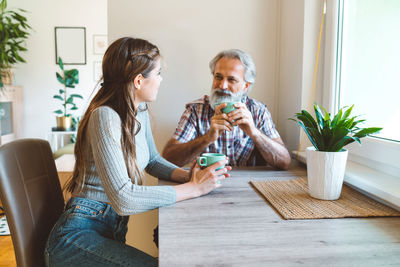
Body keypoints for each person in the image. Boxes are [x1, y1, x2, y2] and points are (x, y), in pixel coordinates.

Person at [44, 37, 231, 267]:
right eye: (158, 73)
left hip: (105, 230)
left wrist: (190, 176)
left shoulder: (138, 110)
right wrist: (193, 189)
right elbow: (123, 198)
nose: (161, 80)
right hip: (76, 238)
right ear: (139, 81)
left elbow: (152, 160)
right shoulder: (105, 116)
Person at [162, 49, 291, 169]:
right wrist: (208, 138)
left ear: (245, 86)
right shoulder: (196, 110)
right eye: (218, 77)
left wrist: (254, 132)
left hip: (249, 187)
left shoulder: (258, 111)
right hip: (206, 185)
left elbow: (284, 162)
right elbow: (168, 159)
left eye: (231, 79)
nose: (222, 85)